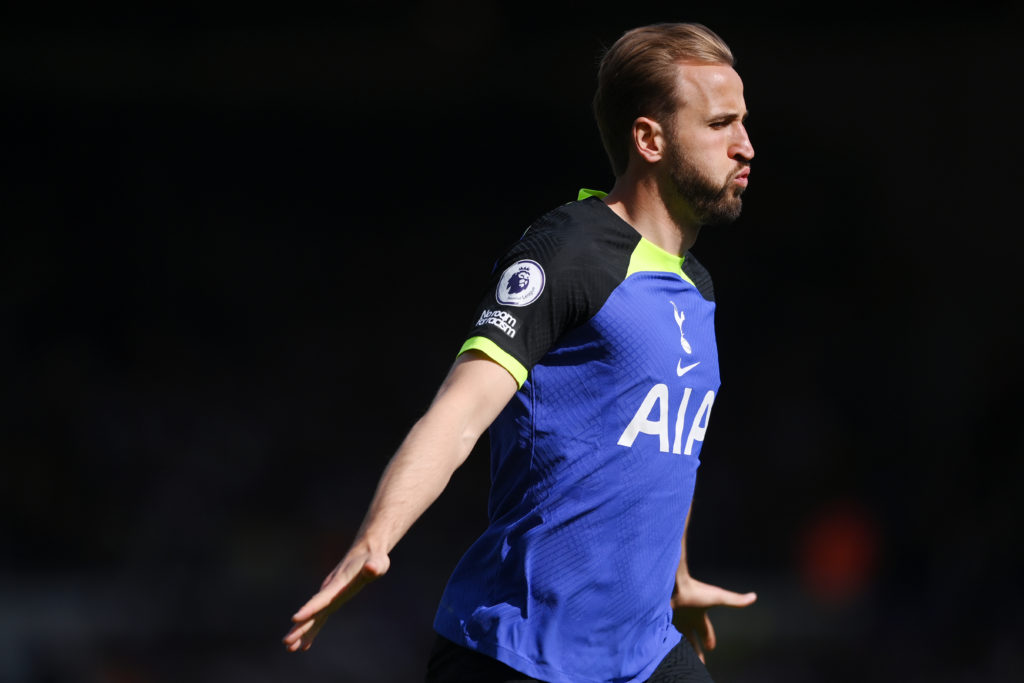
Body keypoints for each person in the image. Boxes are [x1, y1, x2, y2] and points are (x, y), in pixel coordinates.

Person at [284, 22, 757, 683]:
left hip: (645, 651)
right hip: (518, 652)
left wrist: (672, 573)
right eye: (721, 124)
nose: (746, 146)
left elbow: (662, 447)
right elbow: (460, 411)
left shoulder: (696, 286)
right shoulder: (568, 251)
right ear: (650, 138)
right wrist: (376, 535)